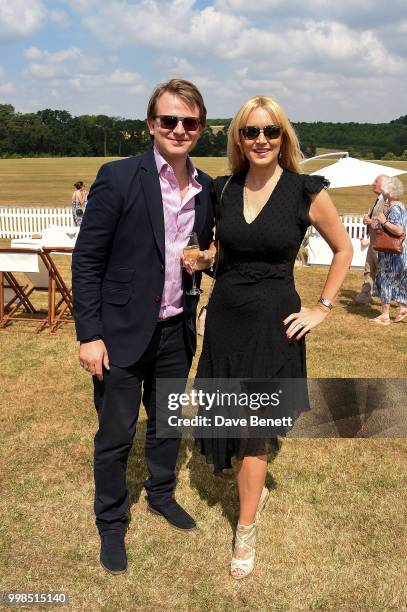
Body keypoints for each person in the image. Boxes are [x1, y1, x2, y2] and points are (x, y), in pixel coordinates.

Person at [192, 95, 353, 579]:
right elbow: (228, 247)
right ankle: (249, 495)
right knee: (226, 413)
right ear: (238, 139)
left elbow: (343, 249)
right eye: (250, 132)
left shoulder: (306, 190)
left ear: (284, 137)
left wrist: (321, 308)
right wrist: (204, 258)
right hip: (225, 318)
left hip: (274, 323)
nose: (261, 140)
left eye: (270, 131)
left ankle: (245, 528)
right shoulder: (223, 189)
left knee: (253, 430)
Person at [72, 79, 215, 575]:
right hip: (120, 333)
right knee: (115, 433)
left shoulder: (206, 188)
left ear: (200, 128)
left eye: (189, 122)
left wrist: (210, 258)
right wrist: (89, 335)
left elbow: (208, 249)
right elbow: (87, 260)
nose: (179, 129)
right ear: (151, 125)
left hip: (177, 330)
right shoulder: (117, 177)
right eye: (169, 120)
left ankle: (160, 493)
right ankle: (111, 521)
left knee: (168, 421)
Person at [370, 176, 407, 325]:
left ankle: (385, 316)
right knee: (399, 281)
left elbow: (398, 230)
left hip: (391, 254)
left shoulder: (394, 208)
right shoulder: (402, 206)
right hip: (401, 253)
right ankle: (403, 308)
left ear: (390, 191)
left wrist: (383, 221)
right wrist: (378, 224)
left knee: (384, 280)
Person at [353, 174, 389, 304]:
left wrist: (371, 222)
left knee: (384, 273)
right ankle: (365, 295)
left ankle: (397, 301)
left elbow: (389, 223)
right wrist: (369, 221)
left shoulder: (387, 201)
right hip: (373, 243)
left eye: (376, 181)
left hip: (382, 244)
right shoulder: (378, 199)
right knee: (368, 269)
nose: (373, 183)